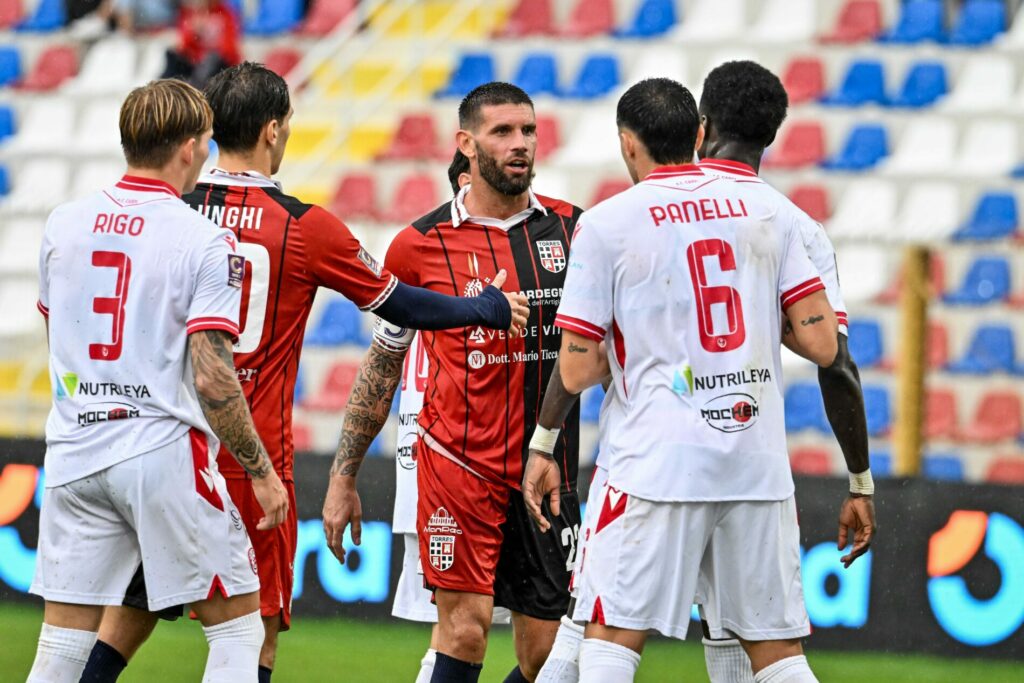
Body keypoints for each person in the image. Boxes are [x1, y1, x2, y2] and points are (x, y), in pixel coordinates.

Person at [81, 63, 528, 683]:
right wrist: (482, 308)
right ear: (273, 130)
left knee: (128, 613)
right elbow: (398, 302)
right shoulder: (302, 225)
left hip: (154, 445)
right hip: (249, 458)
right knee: (251, 638)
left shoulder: (171, 211)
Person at [532, 61, 877, 683]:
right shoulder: (776, 216)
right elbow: (828, 349)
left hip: (654, 464)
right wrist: (860, 480)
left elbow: (579, 369)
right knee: (775, 650)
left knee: (604, 631)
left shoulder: (610, 221)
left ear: (701, 128)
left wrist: (545, 438)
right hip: (754, 464)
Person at [28, 78, 289, 683]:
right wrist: (260, 471)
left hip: (73, 450)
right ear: (190, 147)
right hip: (158, 451)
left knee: (62, 642)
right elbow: (213, 377)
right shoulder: (204, 238)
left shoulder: (63, 223)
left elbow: (56, 335)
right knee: (239, 629)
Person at [322, 82, 584, 683]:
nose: (520, 144)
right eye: (503, 132)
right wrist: (343, 476)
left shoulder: (573, 230)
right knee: (463, 632)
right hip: (458, 471)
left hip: (547, 466)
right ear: (466, 143)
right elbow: (384, 362)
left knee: (547, 659)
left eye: (528, 131)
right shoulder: (418, 245)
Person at [161, 0, 242, 89]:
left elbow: (229, 49)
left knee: (212, 60)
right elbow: (184, 46)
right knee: (172, 55)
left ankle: (197, 89)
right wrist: (193, 32)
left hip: (217, 65)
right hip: (196, 63)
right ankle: (165, 88)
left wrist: (209, 53)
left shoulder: (225, 14)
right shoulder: (191, 13)